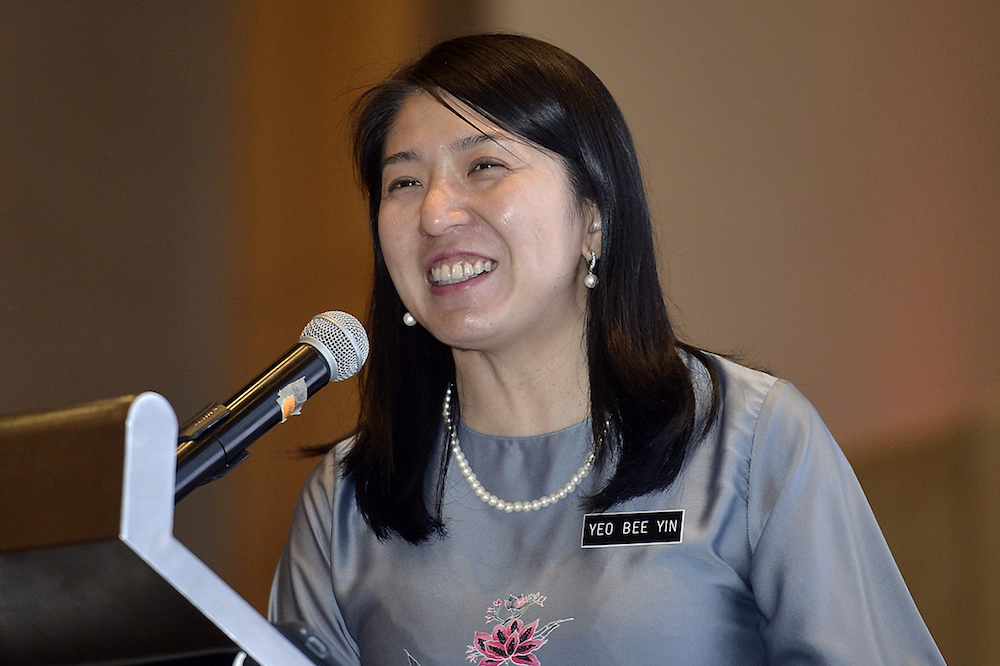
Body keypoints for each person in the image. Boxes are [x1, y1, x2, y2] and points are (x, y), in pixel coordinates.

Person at [269, 34, 945, 665]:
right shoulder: (347, 503)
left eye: (484, 166)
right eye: (404, 183)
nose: (436, 213)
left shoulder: (747, 442)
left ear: (592, 216)